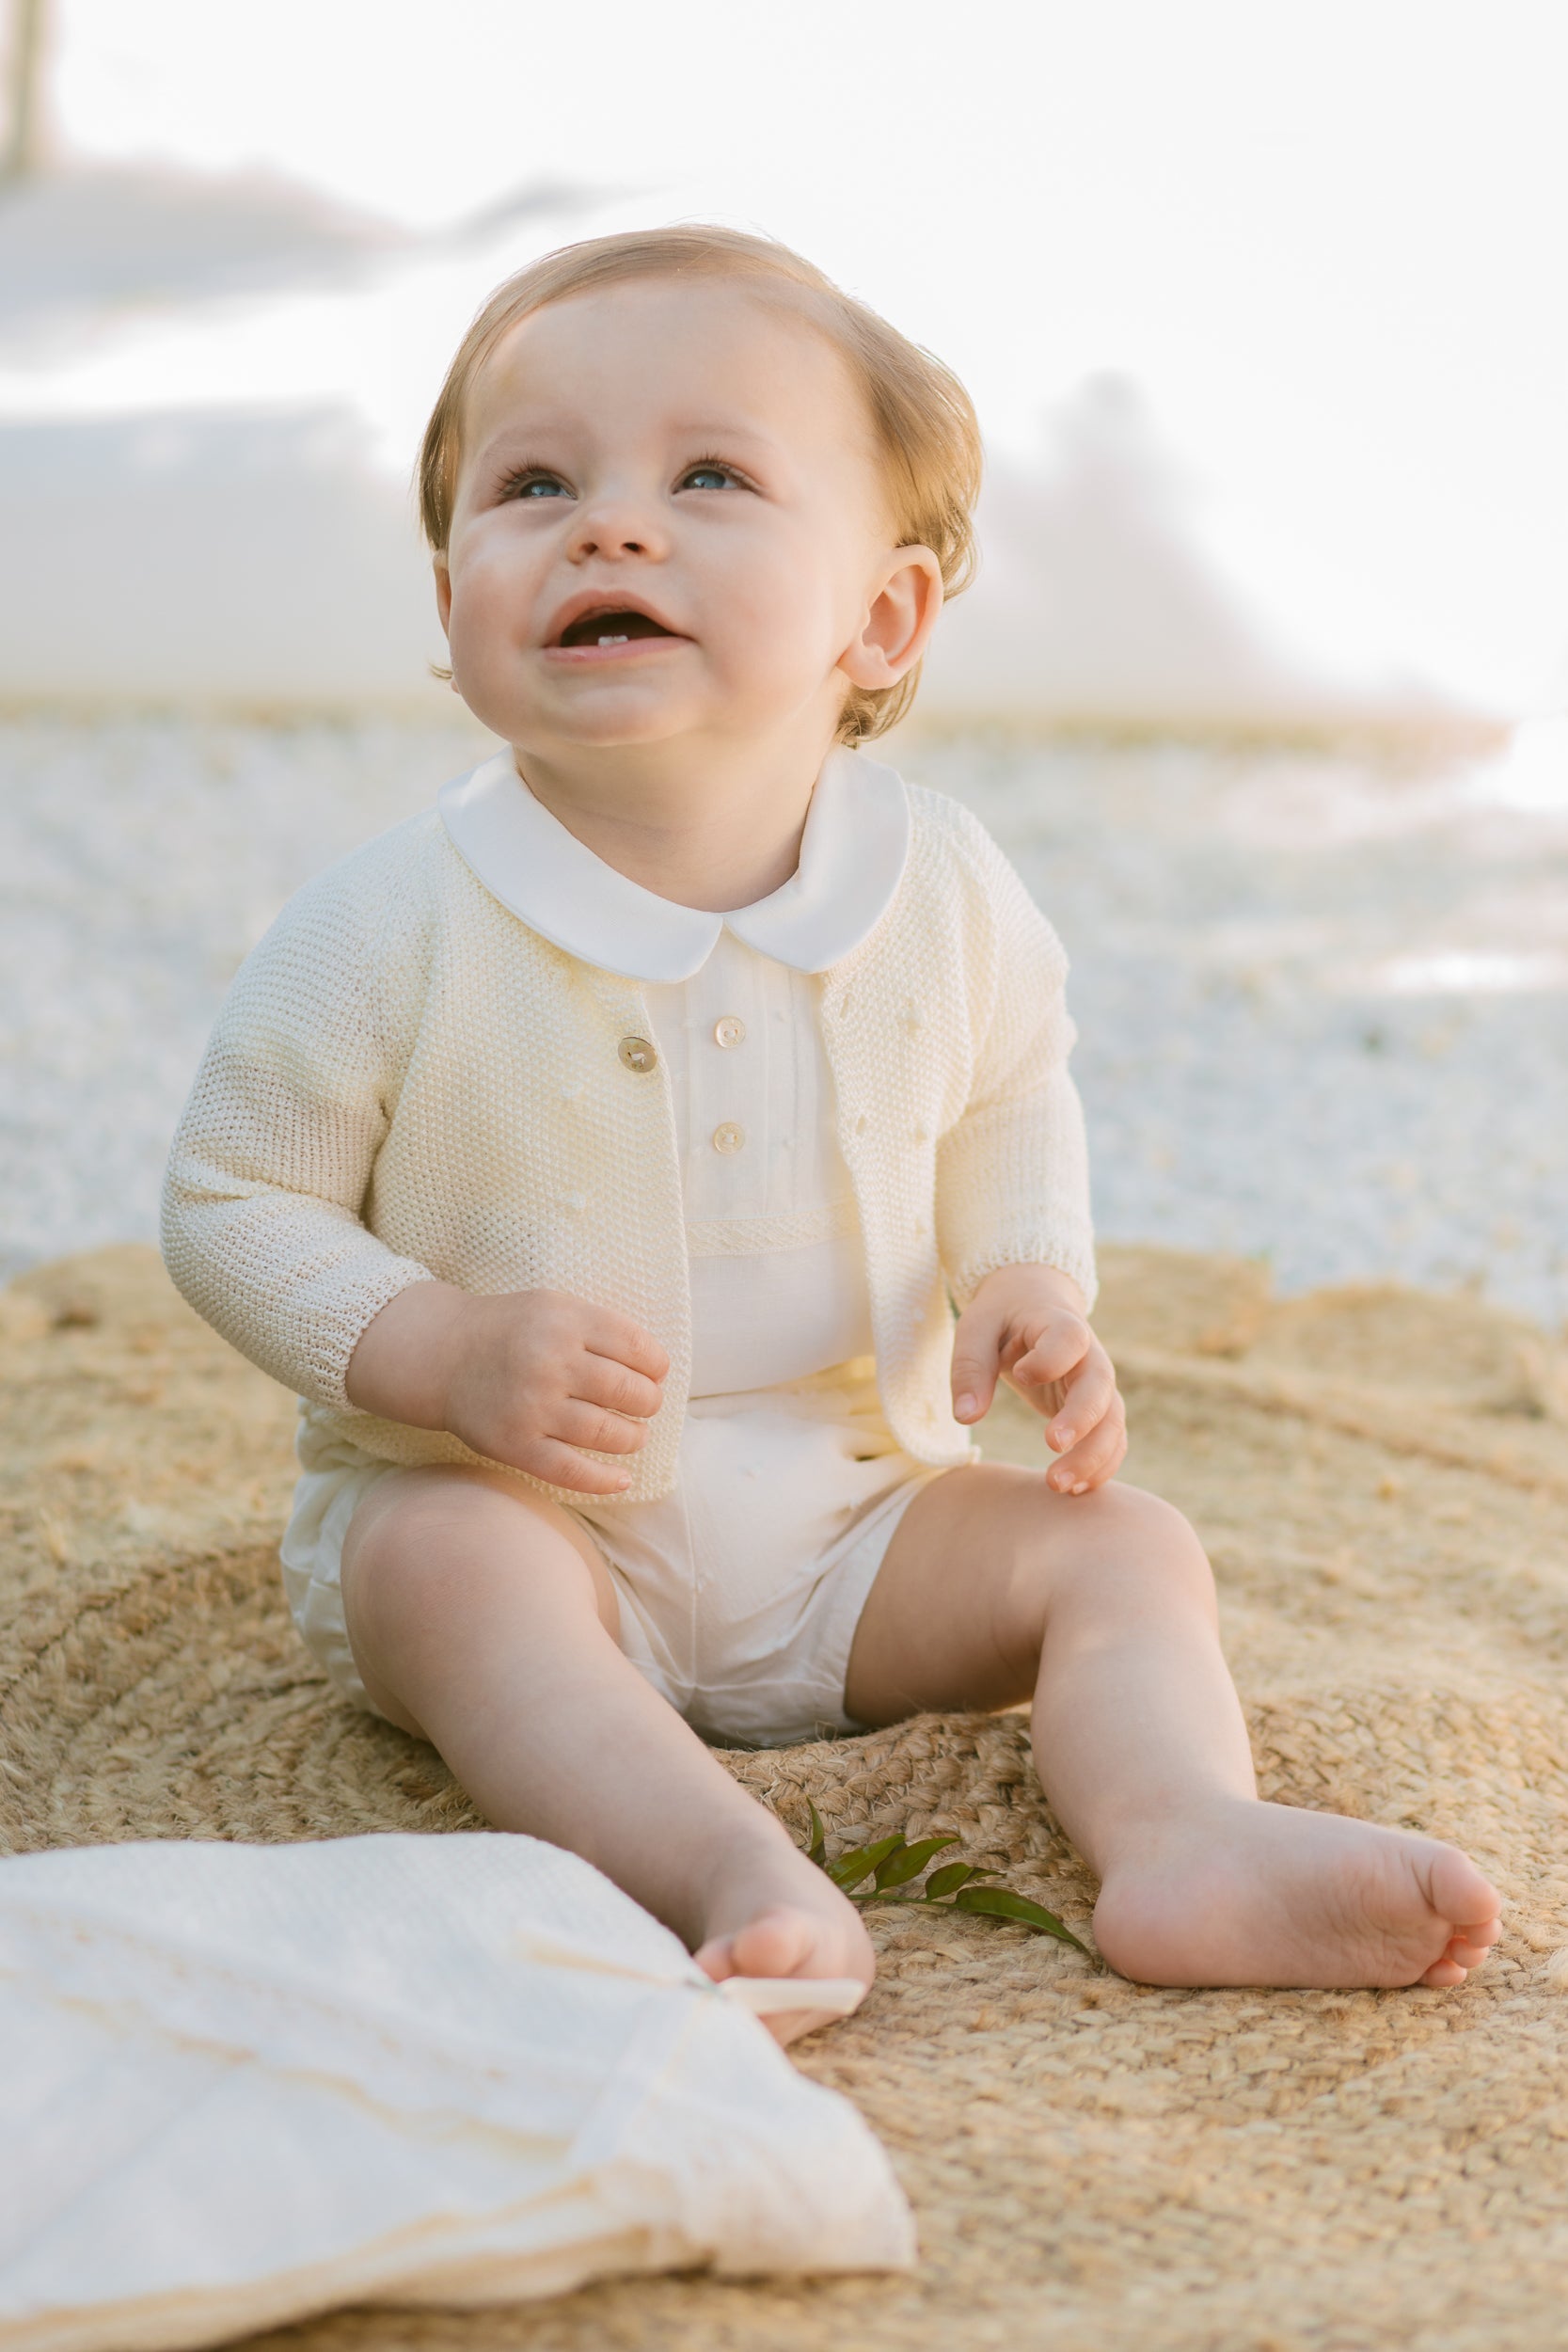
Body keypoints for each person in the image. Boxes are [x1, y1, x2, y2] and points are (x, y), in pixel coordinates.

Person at [162, 227, 1501, 2040]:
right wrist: (442, 1352)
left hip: (863, 1514)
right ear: (454, 597)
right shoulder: (388, 922)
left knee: (1129, 1550)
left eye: (708, 476)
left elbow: (1011, 1079)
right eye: (532, 482)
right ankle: (730, 1875)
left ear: (883, 618)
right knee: (438, 1574)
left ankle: (1183, 1833)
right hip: (538, 1517)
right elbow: (234, 1197)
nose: (609, 526)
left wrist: (1024, 1273)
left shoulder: (936, 883)